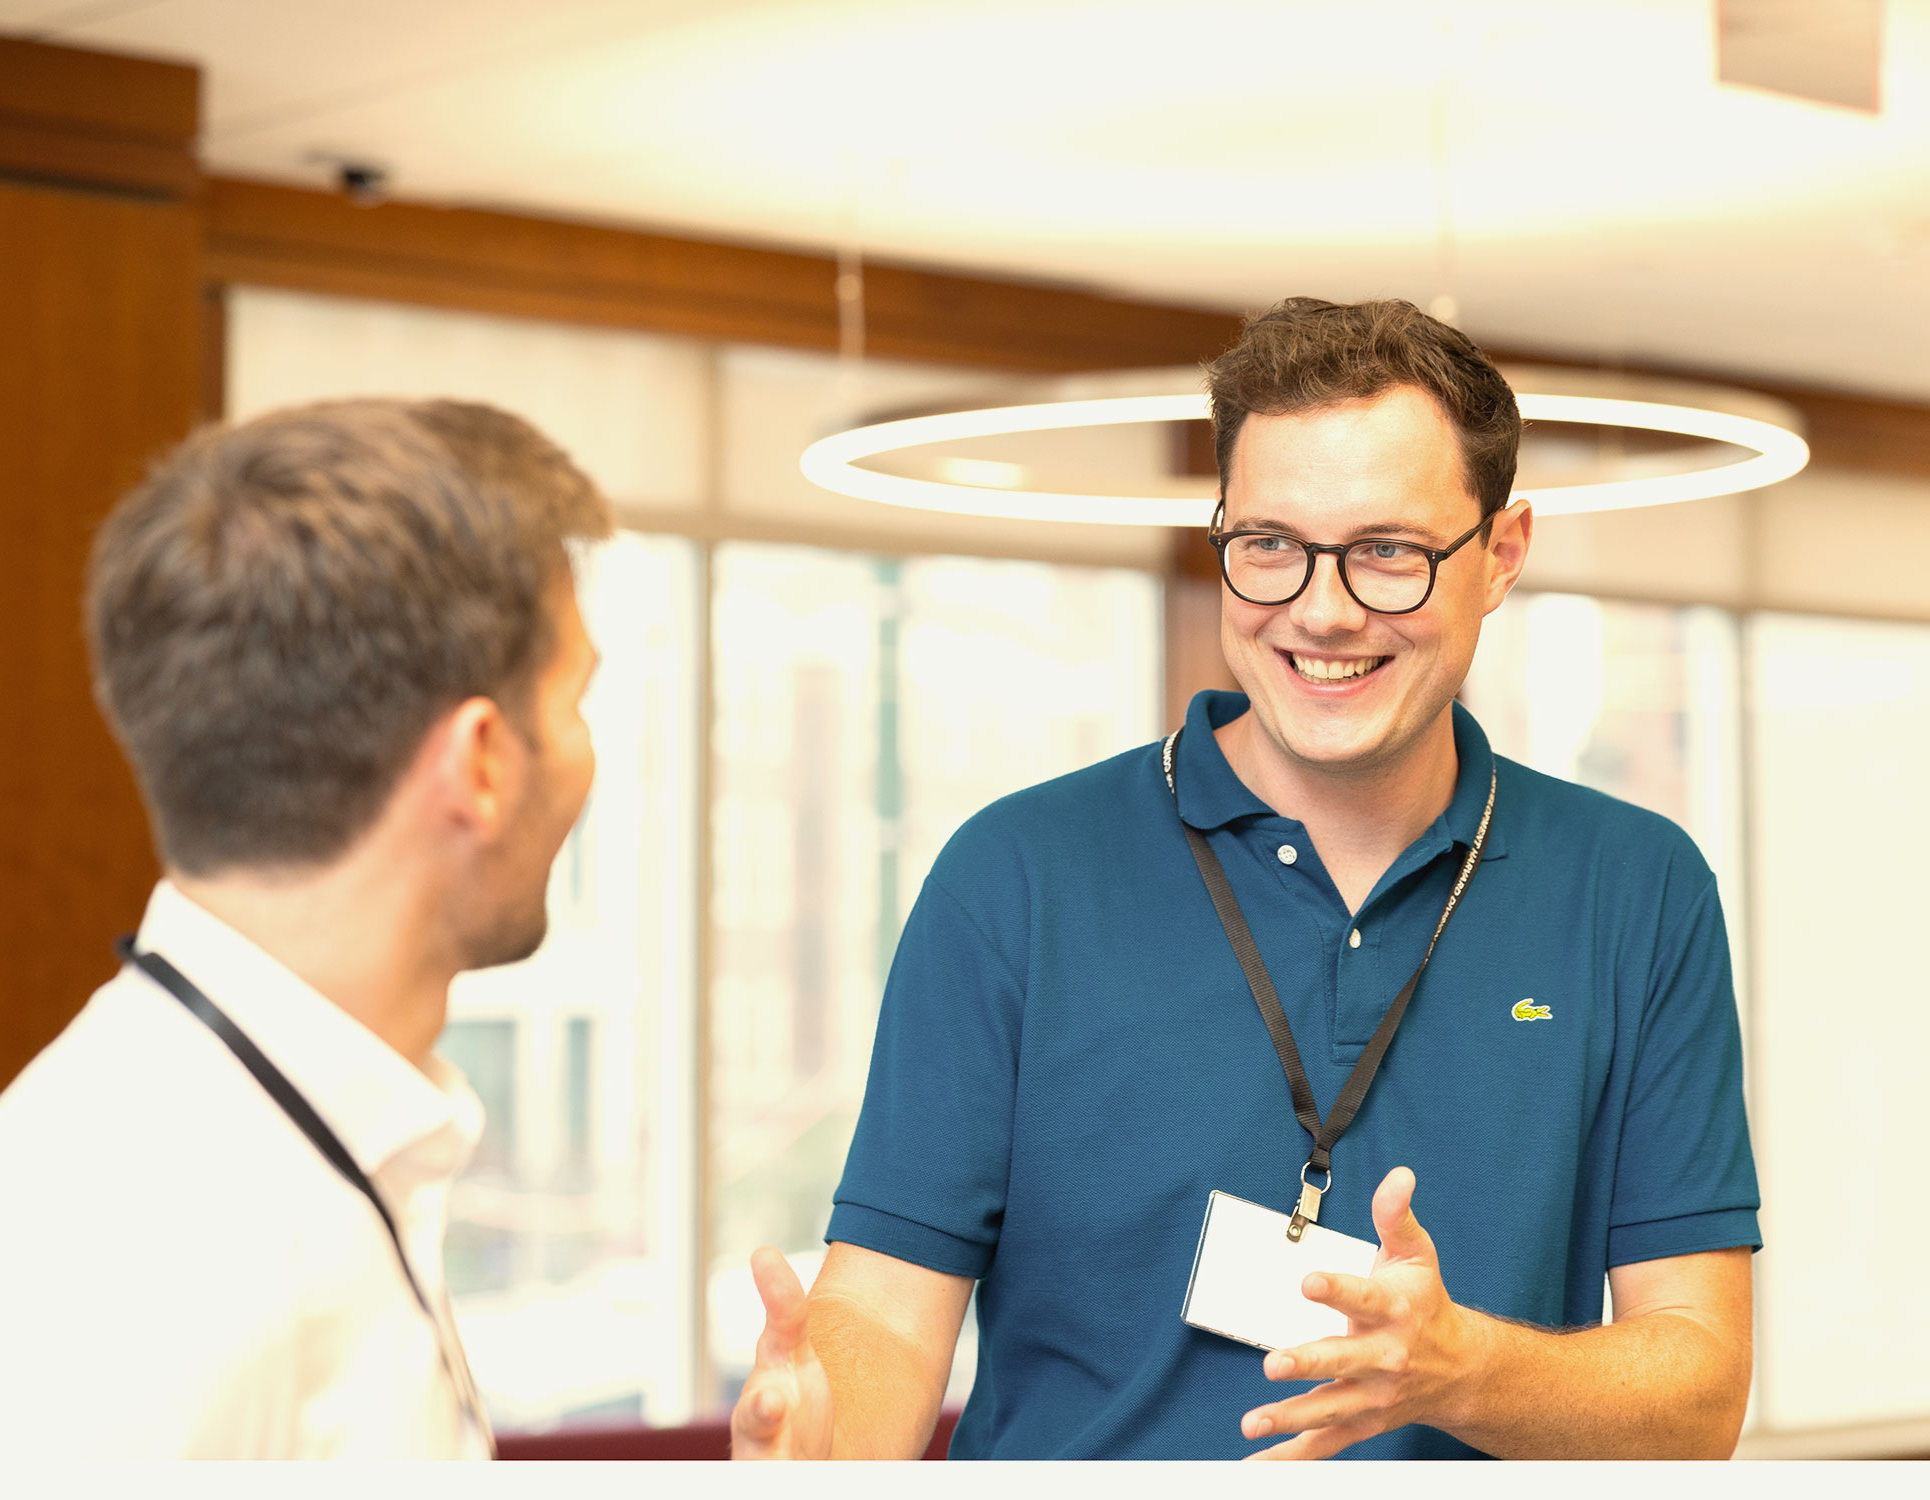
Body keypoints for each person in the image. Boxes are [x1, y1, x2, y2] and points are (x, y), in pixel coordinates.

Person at [731, 298, 1760, 1461]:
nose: (1319, 612)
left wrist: (1464, 1370)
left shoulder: (1635, 889)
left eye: (1387, 552)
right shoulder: (1014, 877)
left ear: (1500, 556)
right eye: (1267, 544)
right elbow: (881, 1311)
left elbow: (1698, 1391)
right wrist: (819, 1451)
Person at [0, 399, 611, 1457]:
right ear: (480, 762)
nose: (584, 754)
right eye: (575, 699)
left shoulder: (287, 1140)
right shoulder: (114, 1282)